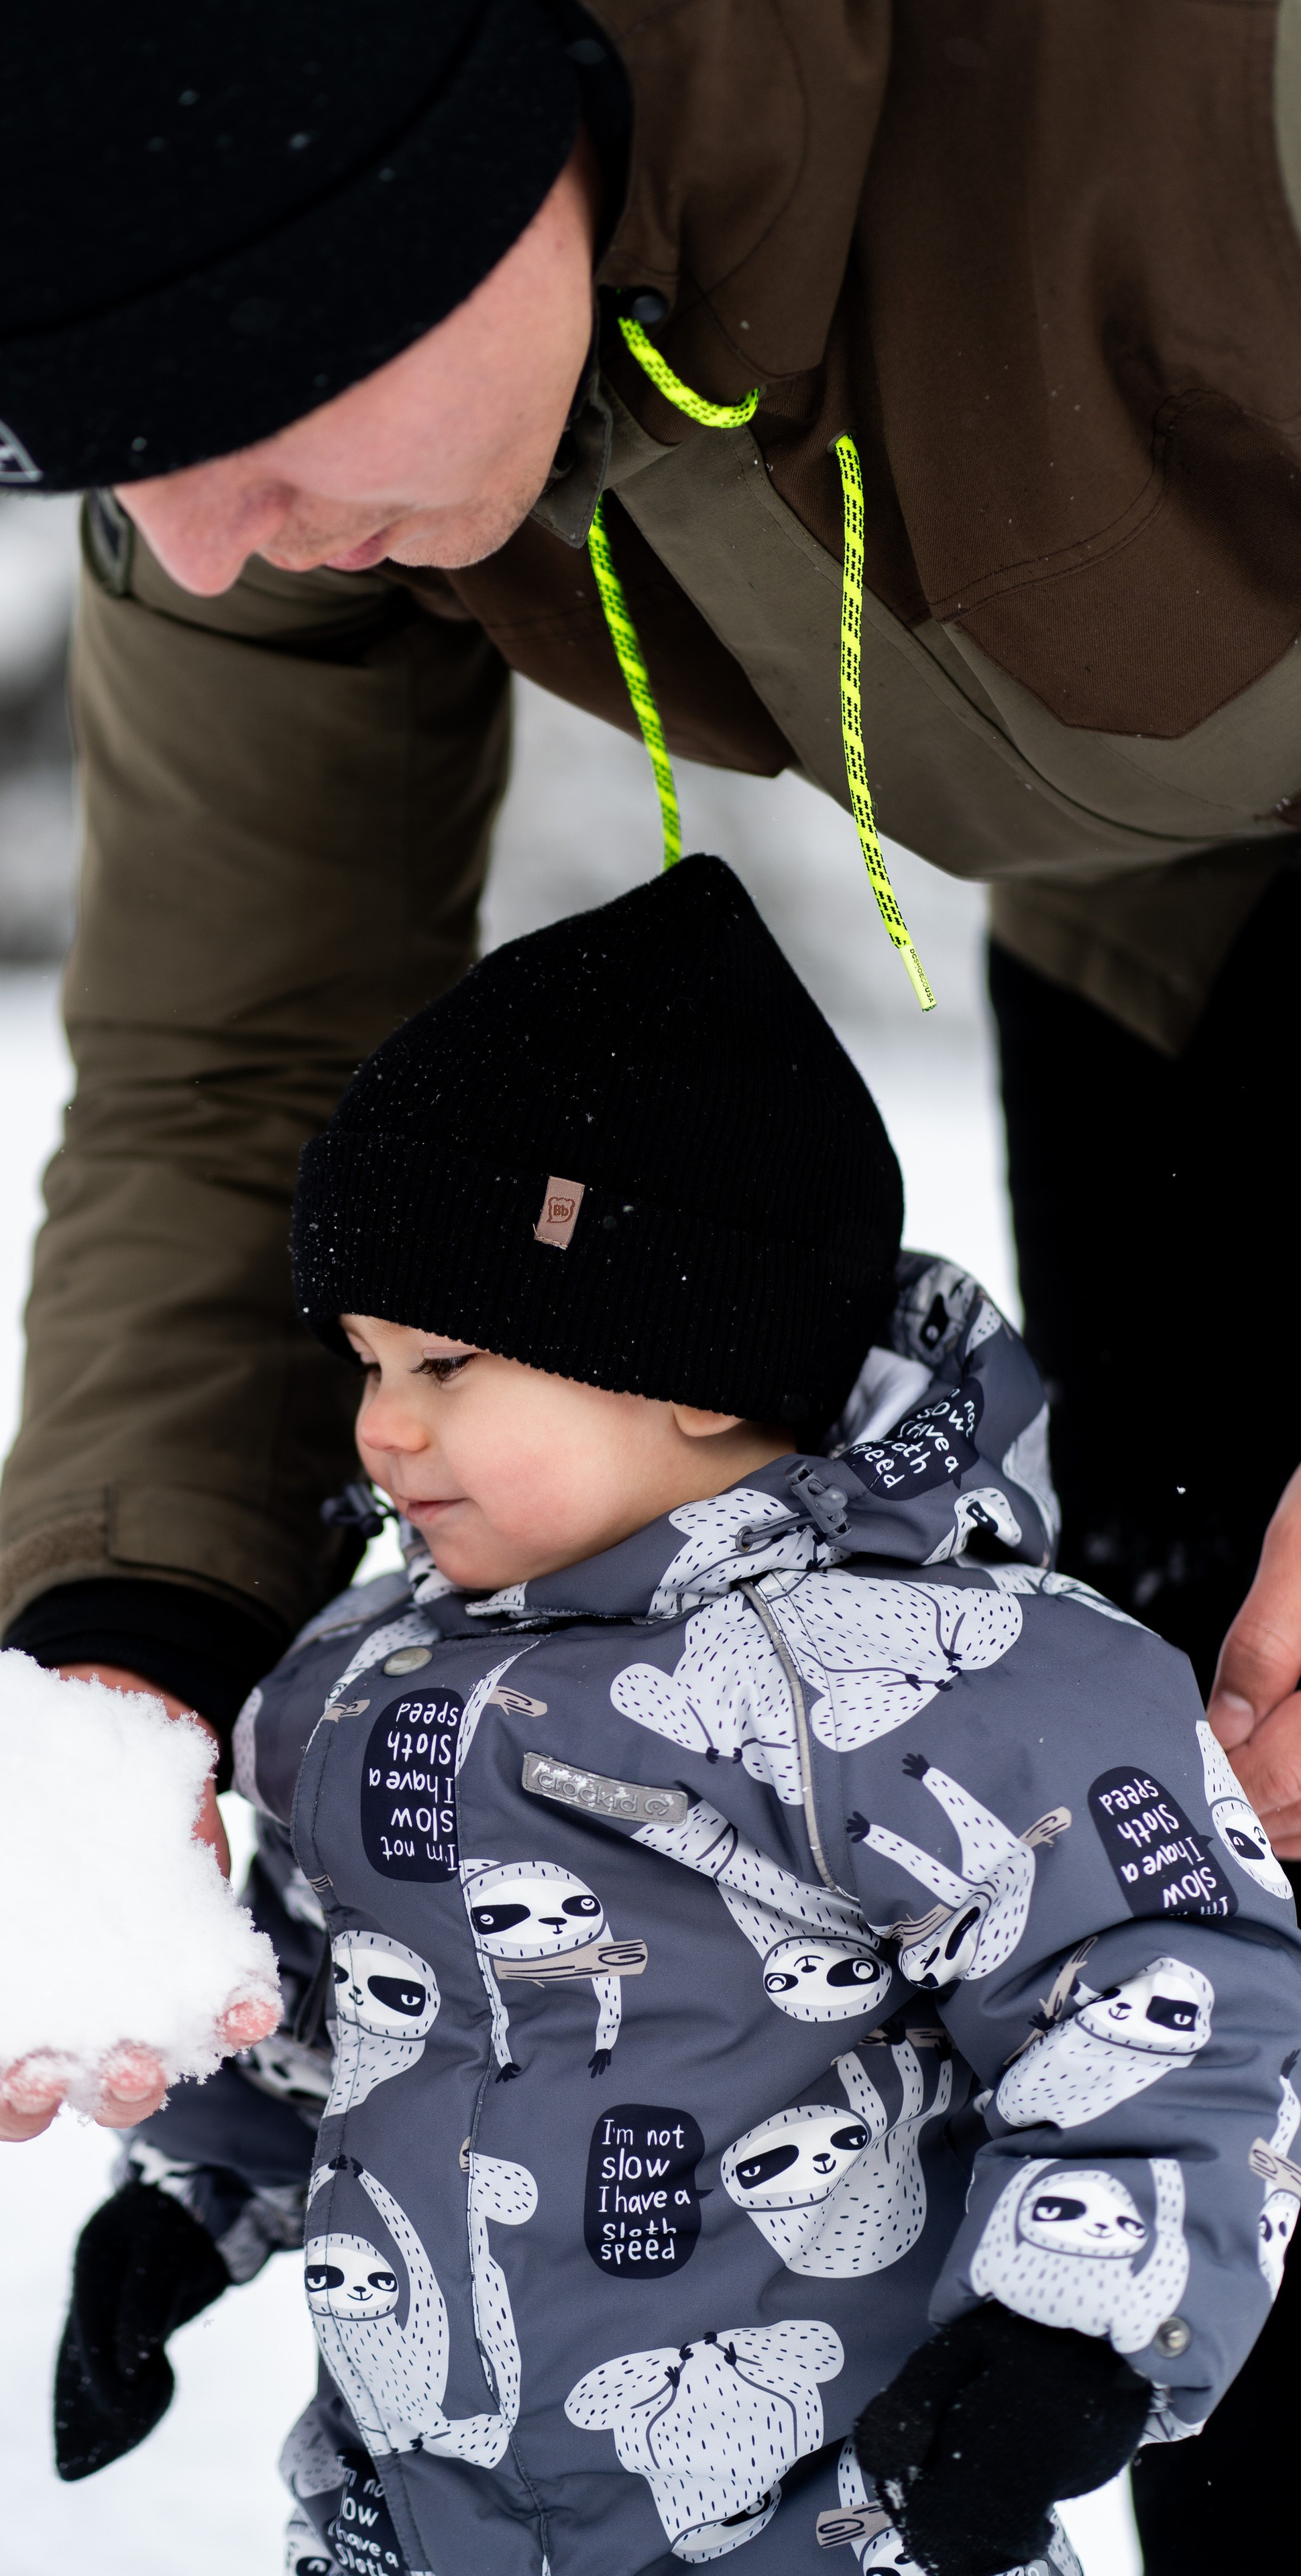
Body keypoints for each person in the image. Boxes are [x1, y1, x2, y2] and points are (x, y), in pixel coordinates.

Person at [0, 2, 1301, 2558]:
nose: (208, 545)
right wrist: (139, 1653)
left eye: (232, 417)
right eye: (92, 474)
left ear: (466, 140)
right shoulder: (251, 398)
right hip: (1179, 928)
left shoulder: (1186, 100)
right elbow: (232, 1049)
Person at [66, 859, 1301, 2576]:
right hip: (415, 2509)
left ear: (690, 1366)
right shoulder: (360, 1675)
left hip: (834, 2515)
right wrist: (195, 2203)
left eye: (443, 1368)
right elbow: (334, 1990)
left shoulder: (962, 1677)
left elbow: (1168, 1994)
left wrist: (1066, 2337)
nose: (380, 1434)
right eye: (361, 1361)